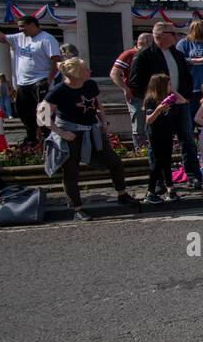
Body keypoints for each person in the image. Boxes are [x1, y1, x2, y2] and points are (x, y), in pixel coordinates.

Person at [42, 57, 135, 220]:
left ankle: (122, 194)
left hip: (93, 131)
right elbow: (41, 115)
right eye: (86, 69)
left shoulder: (90, 85)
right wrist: (62, 133)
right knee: (70, 171)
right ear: (76, 74)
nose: (90, 72)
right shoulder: (58, 91)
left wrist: (103, 120)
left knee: (114, 162)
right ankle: (77, 209)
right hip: (71, 134)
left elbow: (97, 104)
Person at [128, 22, 201, 192]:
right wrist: (152, 99)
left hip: (180, 103)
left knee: (187, 140)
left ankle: (193, 176)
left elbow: (186, 77)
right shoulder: (145, 55)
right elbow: (134, 82)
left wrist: (186, 96)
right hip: (159, 106)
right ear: (160, 35)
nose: (176, 37)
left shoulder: (177, 54)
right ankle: (159, 180)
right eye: (172, 33)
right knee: (158, 145)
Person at [0, 15, 62, 146]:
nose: (21, 30)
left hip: (40, 80)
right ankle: (31, 138)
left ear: (33, 25)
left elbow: (56, 61)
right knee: (23, 111)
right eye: (19, 27)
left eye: (23, 26)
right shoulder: (19, 37)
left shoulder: (47, 39)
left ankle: (47, 137)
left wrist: (49, 79)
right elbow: (1, 38)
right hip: (23, 83)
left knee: (43, 112)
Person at [109, 32, 154, 150]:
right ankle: (141, 150)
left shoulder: (153, 54)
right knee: (139, 123)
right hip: (136, 94)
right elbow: (114, 73)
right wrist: (125, 88)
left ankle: (152, 147)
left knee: (152, 122)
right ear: (145, 42)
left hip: (152, 94)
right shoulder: (129, 54)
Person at [141, 73, 180, 203]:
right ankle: (150, 192)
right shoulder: (150, 100)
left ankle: (170, 189)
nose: (171, 86)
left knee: (167, 161)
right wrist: (158, 109)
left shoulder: (168, 98)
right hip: (156, 134)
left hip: (167, 133)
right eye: (168, 84)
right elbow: (149, 120)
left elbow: (182, 101)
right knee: (157, 162)